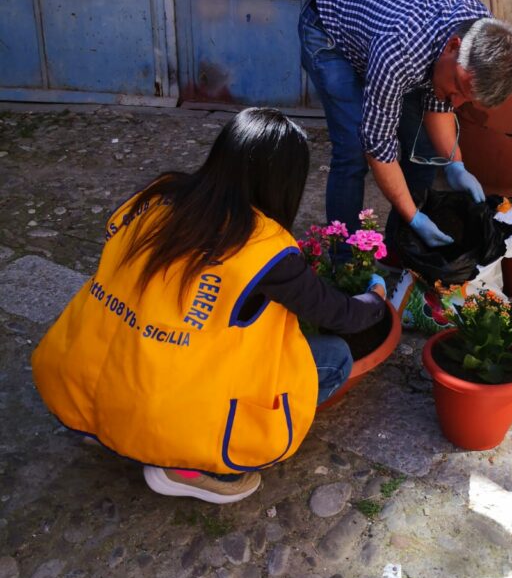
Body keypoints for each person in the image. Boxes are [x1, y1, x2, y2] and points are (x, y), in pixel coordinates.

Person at [31, 108, 387, 505]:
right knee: (334, 358)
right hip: (160, 407)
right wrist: (376, 298)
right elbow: (339, 314)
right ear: (284, 181)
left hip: (75, 378)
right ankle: (187, 466)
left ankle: (104, 424)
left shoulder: (159, 195)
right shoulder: (263, 248)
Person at [298, 0, 512, 251]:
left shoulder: (481, 33)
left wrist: (455, 164)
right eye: (458, 88)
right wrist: (413, 216)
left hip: (382, 35)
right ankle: (346, 260)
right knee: (353, 150)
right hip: (329, 27)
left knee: (424, 151)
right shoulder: (401, 49)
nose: (456, 104)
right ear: (452, 46)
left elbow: (439, 103)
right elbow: (377, 144)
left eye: (466, 99)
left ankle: (400, 250)